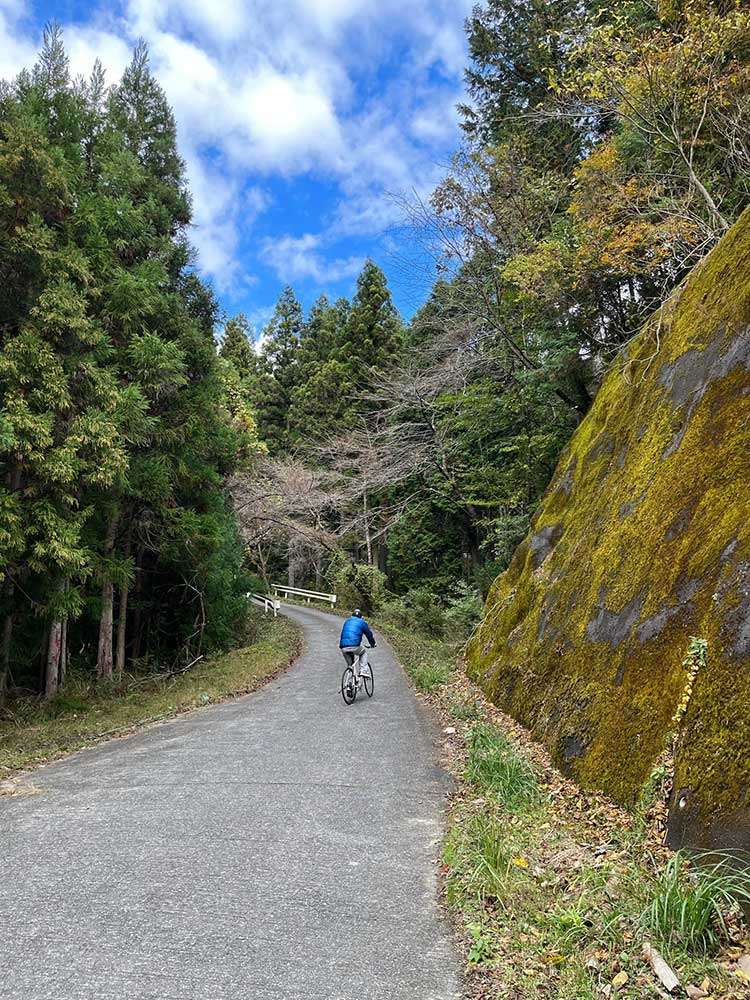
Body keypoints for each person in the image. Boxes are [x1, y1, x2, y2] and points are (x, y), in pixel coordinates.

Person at [339, 608, 376, 681]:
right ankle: (363, 671)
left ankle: (349, 683)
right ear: (361, 616)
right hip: (355, 646)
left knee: (351, 666)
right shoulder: (362, 622)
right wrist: (372, 644)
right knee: (363, 653)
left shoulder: (347, 621)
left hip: (343, 647)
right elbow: (369, 635)